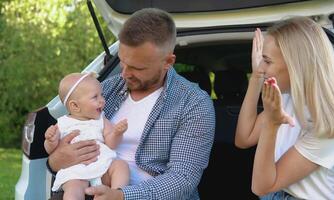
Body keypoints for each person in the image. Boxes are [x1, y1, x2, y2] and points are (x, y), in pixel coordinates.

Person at [47, 8, 215, 200]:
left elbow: (182, 179)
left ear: (168, 61)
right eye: (122, 61)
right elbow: (66, 139)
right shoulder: (106, 89)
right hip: (85, 188)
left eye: (136, 67)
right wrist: (55, 160)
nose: (125, 73)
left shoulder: (193, 103)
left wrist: (121, 196)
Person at [234, 17, 334, 200]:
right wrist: (257, 77)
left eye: (267, 61)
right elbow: (243, 139)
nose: (261, 66)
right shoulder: (287, 92)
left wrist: (272, 125)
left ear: (295, 64)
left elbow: (261, 186)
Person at [44, 72, 130, 200]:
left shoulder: (101, 119)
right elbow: (51, 150)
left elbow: (111, 143)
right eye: (95, 97)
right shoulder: (62, 123)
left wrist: (117, 133)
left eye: (101, 95)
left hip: (103, 165)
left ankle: (114, 193)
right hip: (75, 170)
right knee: (73, 189)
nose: (102, 100)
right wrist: (50, 140)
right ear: (75, 106)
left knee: (121, 166)